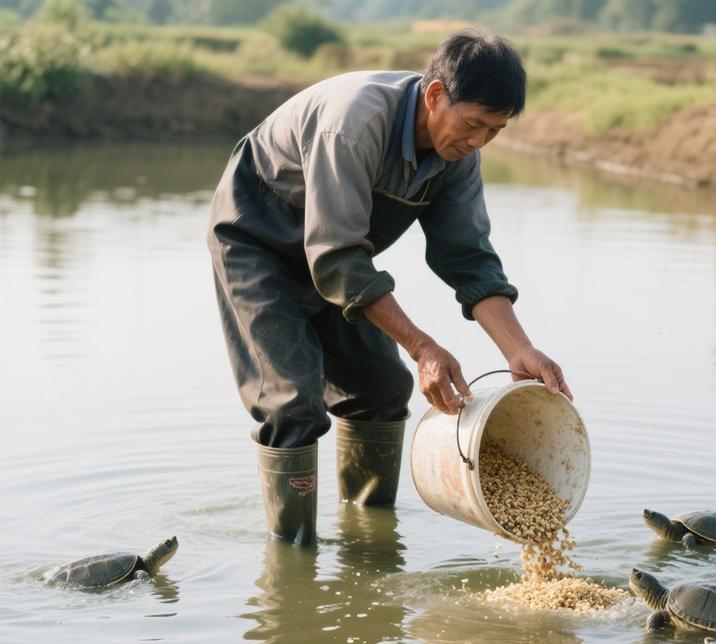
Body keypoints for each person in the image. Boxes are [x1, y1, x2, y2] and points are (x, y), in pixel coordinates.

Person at [207, 29, 571, 545]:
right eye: (473, 125)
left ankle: (367, 541)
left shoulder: (458, 159)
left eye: (495, 131)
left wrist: (519, 348)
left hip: (342, 257)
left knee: (380, 390)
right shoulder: (354, 125)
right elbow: (336, 257)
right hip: (259, 242)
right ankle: (293, 560)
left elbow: (469, 260)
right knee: (291, 405)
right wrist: (423, 347)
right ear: (435, 95)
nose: (478, 142)